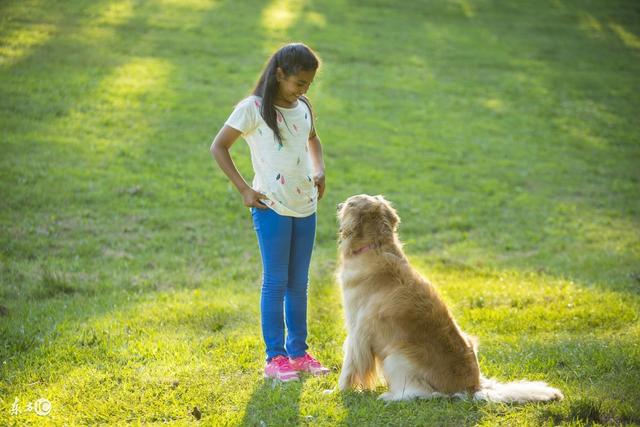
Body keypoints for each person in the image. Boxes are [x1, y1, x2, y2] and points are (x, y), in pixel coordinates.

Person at [210, 43, 329, 382]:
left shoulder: (302, 106)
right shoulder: (253, 109)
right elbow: (218, 147)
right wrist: (245, 189)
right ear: (280, 74)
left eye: (308, 84)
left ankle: (298, 352)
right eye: (299, 83)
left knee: (299, 283)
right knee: (276, 281)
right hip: (271, 207)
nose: (304, 90)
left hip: (305, 205)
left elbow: (313, 139)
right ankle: (275, 357)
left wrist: (319, 169)